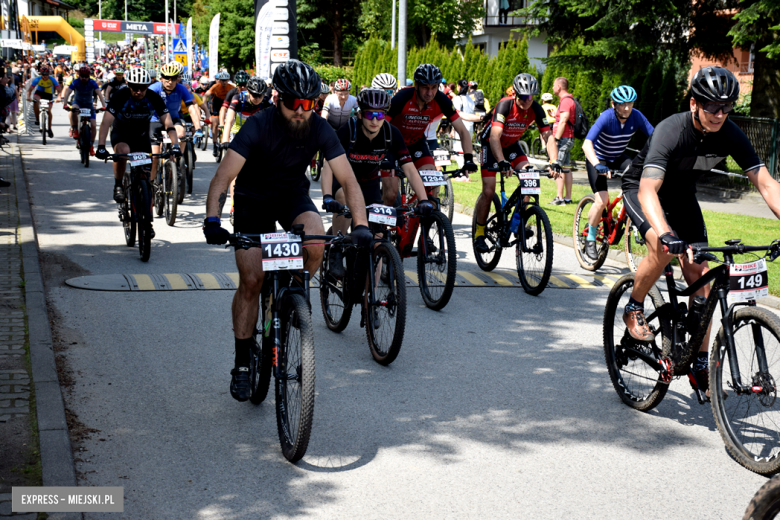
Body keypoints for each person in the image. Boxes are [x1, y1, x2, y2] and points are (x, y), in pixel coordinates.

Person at [202, 60, 372, 402]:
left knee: (316, 238)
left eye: (309, 103)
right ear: (278, 99)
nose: (301, 110)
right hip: (253, 200)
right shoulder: (257, 126)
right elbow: (223, 178)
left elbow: (349, 180)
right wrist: (212, 220)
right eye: (295, 102)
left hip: (291, 197)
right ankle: (242, 364)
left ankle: (292, 293)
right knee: (252, 279)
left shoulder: (319, 127)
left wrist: (362, 225)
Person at [620, 66, 780, 395]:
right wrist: (665, 233)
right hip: (642, 189)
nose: (720, 114)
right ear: (694, 103)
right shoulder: (671, 130)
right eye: (712, 107)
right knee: (663, 249)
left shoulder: (730, 132)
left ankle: (701, 361)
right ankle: (634, 306)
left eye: (726, 107)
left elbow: (765, 183)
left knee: (702, 282)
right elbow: (649, 189)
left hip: (681, 197)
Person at [321, 88, 434, 277]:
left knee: (379, 240)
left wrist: (423, 200)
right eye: (369, 114)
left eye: (380, 114)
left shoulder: (391, 133)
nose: (375, 120)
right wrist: (326, 196)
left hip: (369, 184)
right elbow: (327, 166)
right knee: (343, 196)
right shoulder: (349, 130)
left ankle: (370, 303)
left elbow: (410, 169)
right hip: (344, 183)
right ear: (360, 114)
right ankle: (336, 248)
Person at [473, 73, 552, 253]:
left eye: (530, 97)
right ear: (515, 94)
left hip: (511, 145)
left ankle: (517, 223)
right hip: (490, 144)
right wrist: (501, 162)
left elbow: (548, 136)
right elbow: (495, 137)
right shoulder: (505, 105)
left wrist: (554, 161)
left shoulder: (537, 109)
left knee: (530, 179)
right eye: (523, 97)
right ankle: (479, 233)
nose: (526, 101)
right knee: (488, 190)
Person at [95, 68, 181, 220]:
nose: (139, 91)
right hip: (121, 133)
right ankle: (118, 184)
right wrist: (101, 146)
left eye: (143, 88)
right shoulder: (120, 95)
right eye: (135, 87)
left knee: (146, 179)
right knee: (123, 150)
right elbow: (106, 122)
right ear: (128, 84)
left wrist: (175, 145)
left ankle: (147, 221)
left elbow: (168, 123)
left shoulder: (153, 97)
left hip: (141, 137)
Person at [580, 85, 654, 260]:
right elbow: (586, 144)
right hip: (598, 158)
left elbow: (655, 136)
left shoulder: (636, 116)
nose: (627, 108)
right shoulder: (606, 118)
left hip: (618, 156)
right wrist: (598, 165)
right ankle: (590, 238)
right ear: (614, 104)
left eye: (630, 104)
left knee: (640, 183)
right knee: (602, 199)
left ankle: (620, 213)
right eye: (622, 104)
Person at [386, 63, 478, 203]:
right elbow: (382, 126)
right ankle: (379, 224)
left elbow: (463, 131)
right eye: (425, 87)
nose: (430, 93)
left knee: (433, 184)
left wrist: (469, 159)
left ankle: (425, 221)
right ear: (416, 85)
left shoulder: (441, 100)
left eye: (434, 87)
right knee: (391, 194)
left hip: (416, 143)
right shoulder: (403, 97)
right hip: (392, 145)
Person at [148, 61, 203, 185]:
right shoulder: (154, 88)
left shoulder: (181, 88)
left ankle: (177, 163)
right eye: (167, 78)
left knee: (182, 132)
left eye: (173, 78)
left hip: (173, 118)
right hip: (155, 120)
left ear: (177, 79)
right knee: (155, 156)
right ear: (161, 78)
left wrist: (198, 128)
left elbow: (191, 108)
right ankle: (150, 184)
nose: (170, 81)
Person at [57, 65, 107, 155]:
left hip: (89, 105)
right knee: (74, 109)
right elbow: (68, 92)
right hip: (78, 102)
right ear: (79, 75)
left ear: (89, 76)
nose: (84, 78)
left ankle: (91, 145)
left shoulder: (92, 82)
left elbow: (99, 93)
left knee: (93, 125)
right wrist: (65, 104)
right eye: (82, 76)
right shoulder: (75, 82)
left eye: (86, 76)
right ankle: (75, 128)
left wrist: (104, 106)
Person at [546, 77, 575, 205]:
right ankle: (567, 197)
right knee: (566, 168)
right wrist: (555, 115)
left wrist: (556, 140)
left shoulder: (565, 101)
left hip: (563, 138)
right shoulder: (567, 100)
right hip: (567, 137)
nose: (552, 88)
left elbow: (563, 121)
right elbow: (562, 118)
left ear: (559, 87)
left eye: (553, 85)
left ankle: (559, 198)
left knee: (557, 166)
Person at [204, 71, 235, 156]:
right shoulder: (215, 86)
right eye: (222, 80)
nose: (224, 82)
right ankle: (214, 143)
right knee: (215, 122)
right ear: (219, 80)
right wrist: (205, 106)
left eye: (226, 80)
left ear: (228, 80)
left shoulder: (231, 87)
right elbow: (205, 95)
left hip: (226, 103)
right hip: (216, 104)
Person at [26, 65, 60, 138]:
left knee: (48, 111)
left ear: (49, 74)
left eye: (46, 75)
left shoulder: (52, 79)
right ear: (40, 74)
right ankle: (37, 118)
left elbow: (59, 90)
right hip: (39, 93)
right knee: (35, 100)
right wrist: (28, 97)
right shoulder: (37, 79)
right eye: (43, 75)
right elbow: (29, 90)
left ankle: (50, 128)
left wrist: (59, 98)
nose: (44, 77)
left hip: (48, 94)